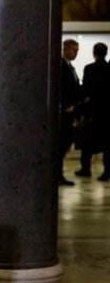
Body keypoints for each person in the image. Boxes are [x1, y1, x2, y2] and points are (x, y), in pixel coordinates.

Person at [75, 42, 110, 181]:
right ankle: (107, 172)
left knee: (87, 142)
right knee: (107, 144)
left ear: (94, 53)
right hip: (107, 111)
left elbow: (86, 90)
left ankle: (85, 169)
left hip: (92, 111)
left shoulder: (89, 68)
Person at [60, 39, 81, 186]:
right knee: (63, 142)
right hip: (65, 111)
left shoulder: (69, 66)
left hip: (70, 110)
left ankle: (59, 175)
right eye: (74, 50)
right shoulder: (62, 66)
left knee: (66, 142)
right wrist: (66, 105)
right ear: (66, 49)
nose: (76, 53)